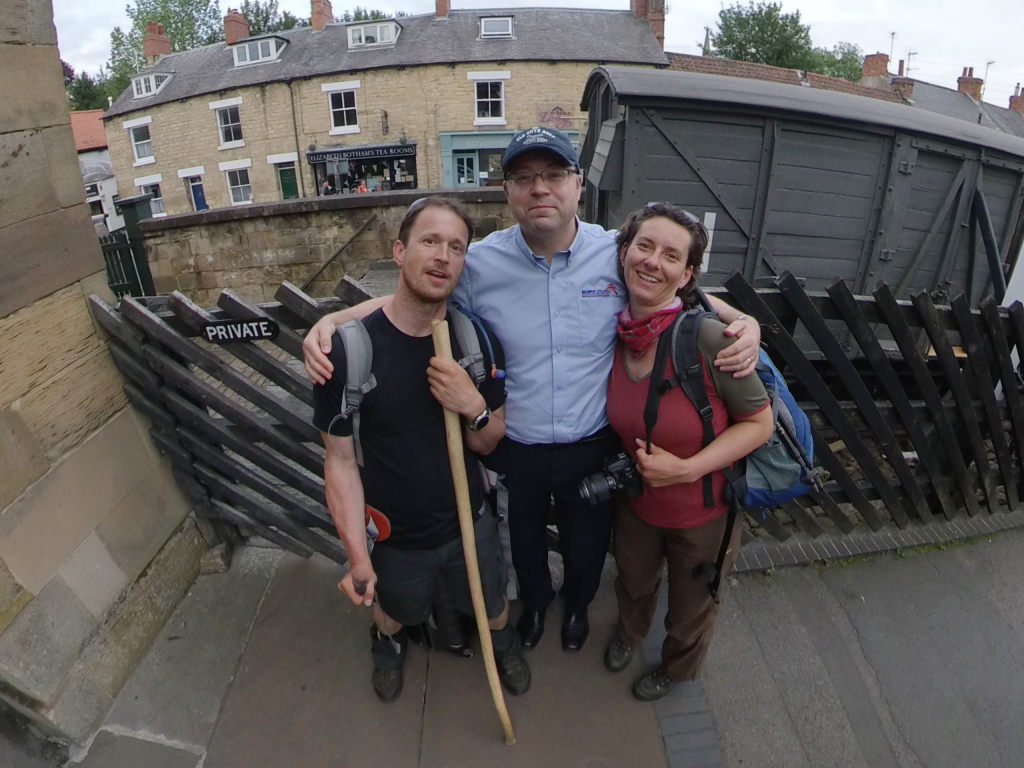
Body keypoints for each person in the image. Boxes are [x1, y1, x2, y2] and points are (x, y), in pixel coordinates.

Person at [304, 127, 763, 653]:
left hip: (591, 444)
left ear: (577, 188)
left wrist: (746, 320)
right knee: (522, 547)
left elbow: (680, 290)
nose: (539, 188)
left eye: (552, 175)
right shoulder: (479, 264)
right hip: (513, 446)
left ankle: (576, 611)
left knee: (586, 548)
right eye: (523, 177)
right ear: (508, 193)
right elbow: (414, 296)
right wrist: (334, 319)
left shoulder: (614, 254)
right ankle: (538, 608)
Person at [312, 197, 530, 702]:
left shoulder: (473, 340)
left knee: (491, 599)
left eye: (456, 247)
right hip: (394, 532)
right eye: (430, 241)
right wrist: (357, 559)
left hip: (468, 519)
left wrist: (472, 404)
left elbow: (490, 438)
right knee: (394, 609)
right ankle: (386, 645)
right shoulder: (348, 352)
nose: (443, 256)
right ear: (399, 251)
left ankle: (502, 644)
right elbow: (339, 462)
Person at [601, 203, 772, 701]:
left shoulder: (709, 338)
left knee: (693, 601)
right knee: (632, 580)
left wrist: (687, 469)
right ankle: (629, 634)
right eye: (645, 246)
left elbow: (758, 424)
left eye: (671, 255)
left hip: (704, 509)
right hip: (637, 504)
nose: (653, 262)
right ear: (624, 252)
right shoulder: (611, 333)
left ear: (687, 274)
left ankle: (677, 668)